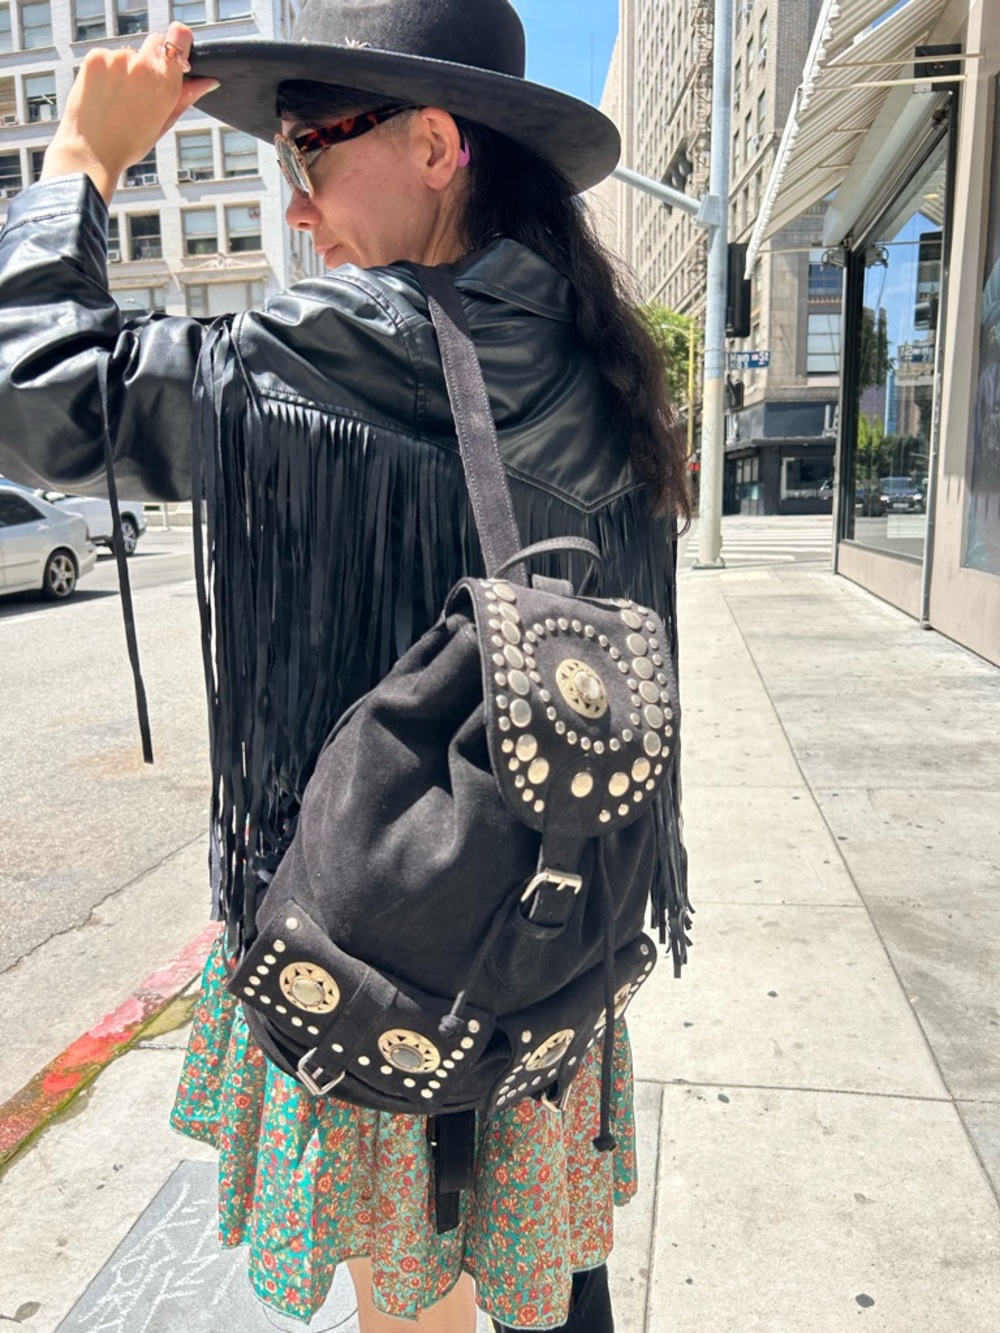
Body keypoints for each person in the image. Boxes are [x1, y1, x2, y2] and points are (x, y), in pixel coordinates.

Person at [0, 1, 691, 1328]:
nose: (300, 207)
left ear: (436, 145)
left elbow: (41, 391)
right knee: (550, 1274)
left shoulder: (348, 349)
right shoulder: (602, 359)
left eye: (312, 152)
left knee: (417, 1298)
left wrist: (81, 165)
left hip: (395, 939)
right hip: (558, 926)